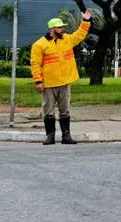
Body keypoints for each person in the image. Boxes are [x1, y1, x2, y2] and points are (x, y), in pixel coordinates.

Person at [30, 9, 92, 145]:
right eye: (59, 27)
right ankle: (50, 136)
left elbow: (80, 34)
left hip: (64, 82)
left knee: (65, 111)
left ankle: (66, 136)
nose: (62, 29)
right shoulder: (39, 45)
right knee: (48, 111)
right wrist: (38, 81)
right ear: (52, 29)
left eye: (62, 27)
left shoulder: (67, 40)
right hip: (49, 84)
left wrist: (86, 21)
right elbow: (35, 64)